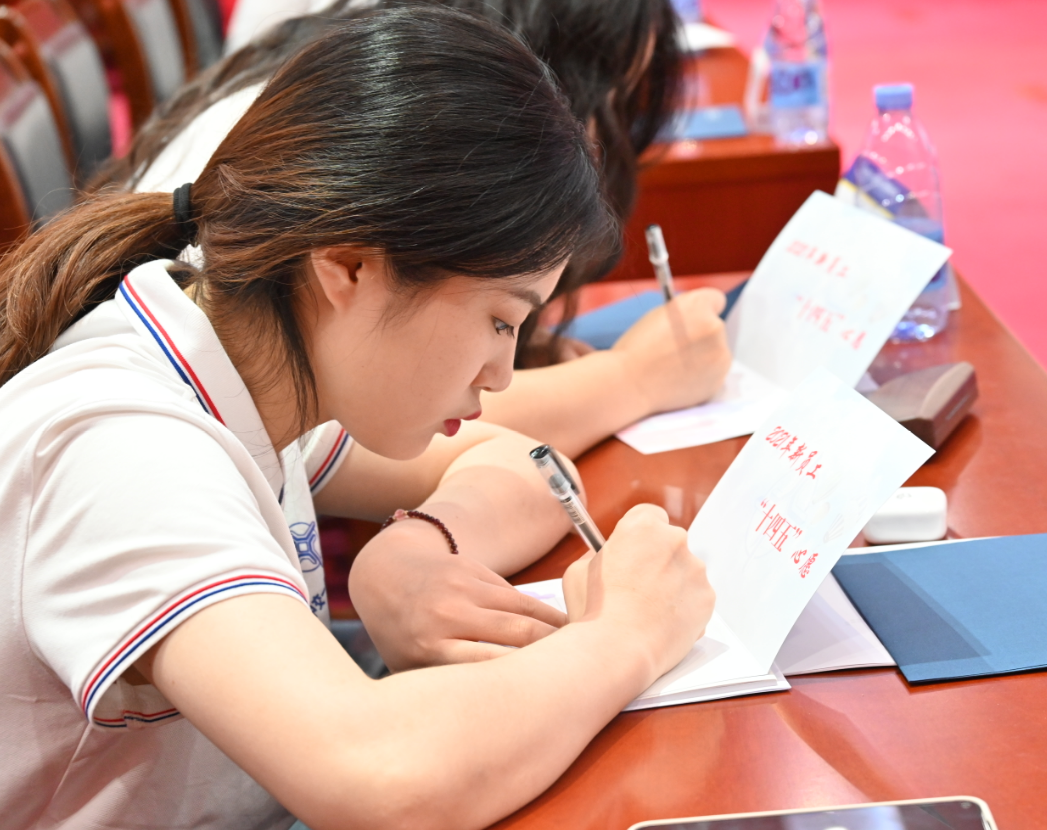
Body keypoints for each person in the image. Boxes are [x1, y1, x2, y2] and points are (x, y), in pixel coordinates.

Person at [0, 9, 714, 827]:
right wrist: (627, 637)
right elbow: (377, 775)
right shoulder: (126, 450)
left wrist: (418, 549)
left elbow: (522, 461)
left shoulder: (257, 363)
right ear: (348, 265)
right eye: (499, 319)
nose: (502, 371)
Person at [100, 0, 732, 461]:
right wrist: (634, 379)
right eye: (606, 100)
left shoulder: (366, 93)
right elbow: (393, 406)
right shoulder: (170, 440)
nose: (599, 138)